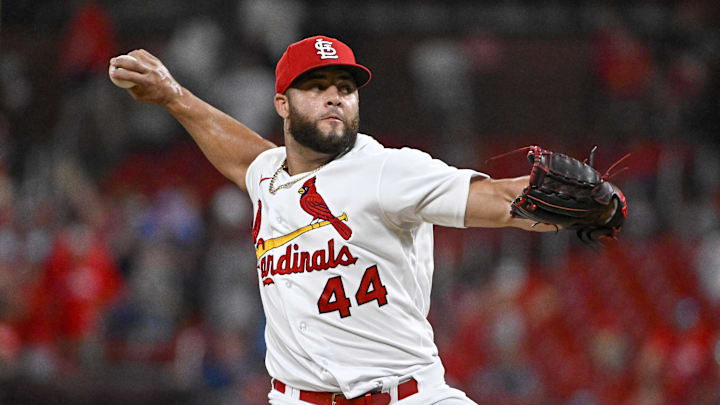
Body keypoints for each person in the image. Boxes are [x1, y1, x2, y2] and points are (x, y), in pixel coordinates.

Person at [108, 36, 570, 405]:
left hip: (407, 396)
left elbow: (491, 197)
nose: (334, 98)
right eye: (316, 87)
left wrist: (567, 206)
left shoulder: (388, 169)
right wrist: (173, 97)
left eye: (345, 89)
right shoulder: (268, 176)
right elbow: (244, 155)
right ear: (282, 105)